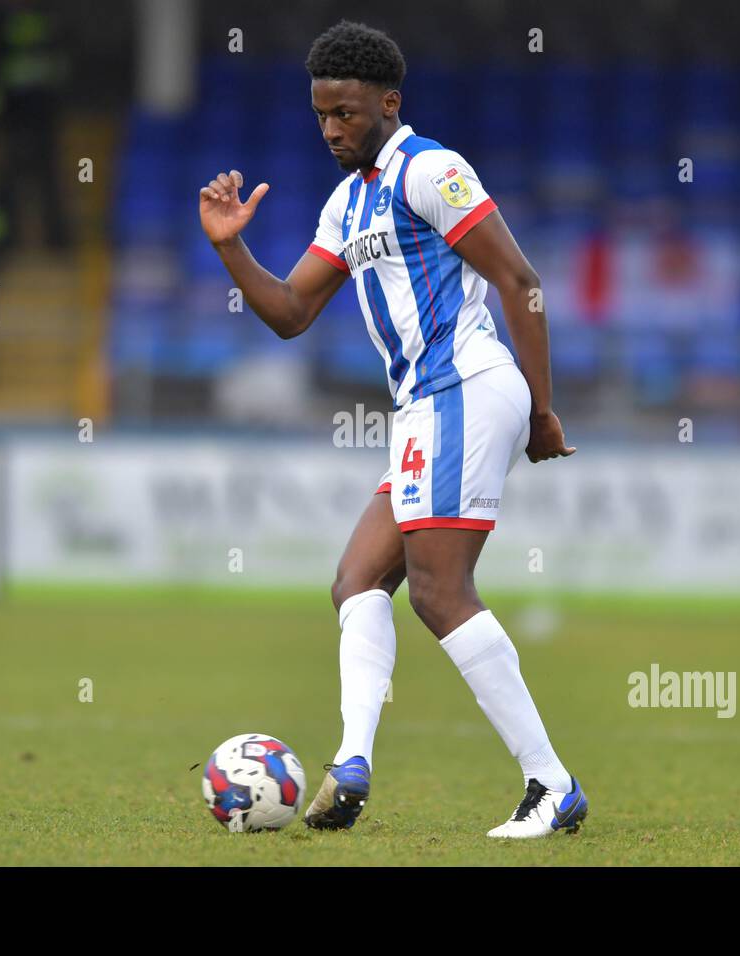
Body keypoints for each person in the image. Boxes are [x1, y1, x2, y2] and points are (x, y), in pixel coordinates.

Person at [198, 20, 586, 838]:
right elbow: (293, 312)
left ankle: (551, 785)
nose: (332, 128)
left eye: (344, 112)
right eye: (320, 116)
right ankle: (352, 765)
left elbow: (520, 280)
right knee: (357, 582)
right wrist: (233, 252)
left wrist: (543, 409)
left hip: (467, 386)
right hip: (425, 405)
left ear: (387, 101)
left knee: (441, 591)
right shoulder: (347, 202)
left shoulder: (430, 170)